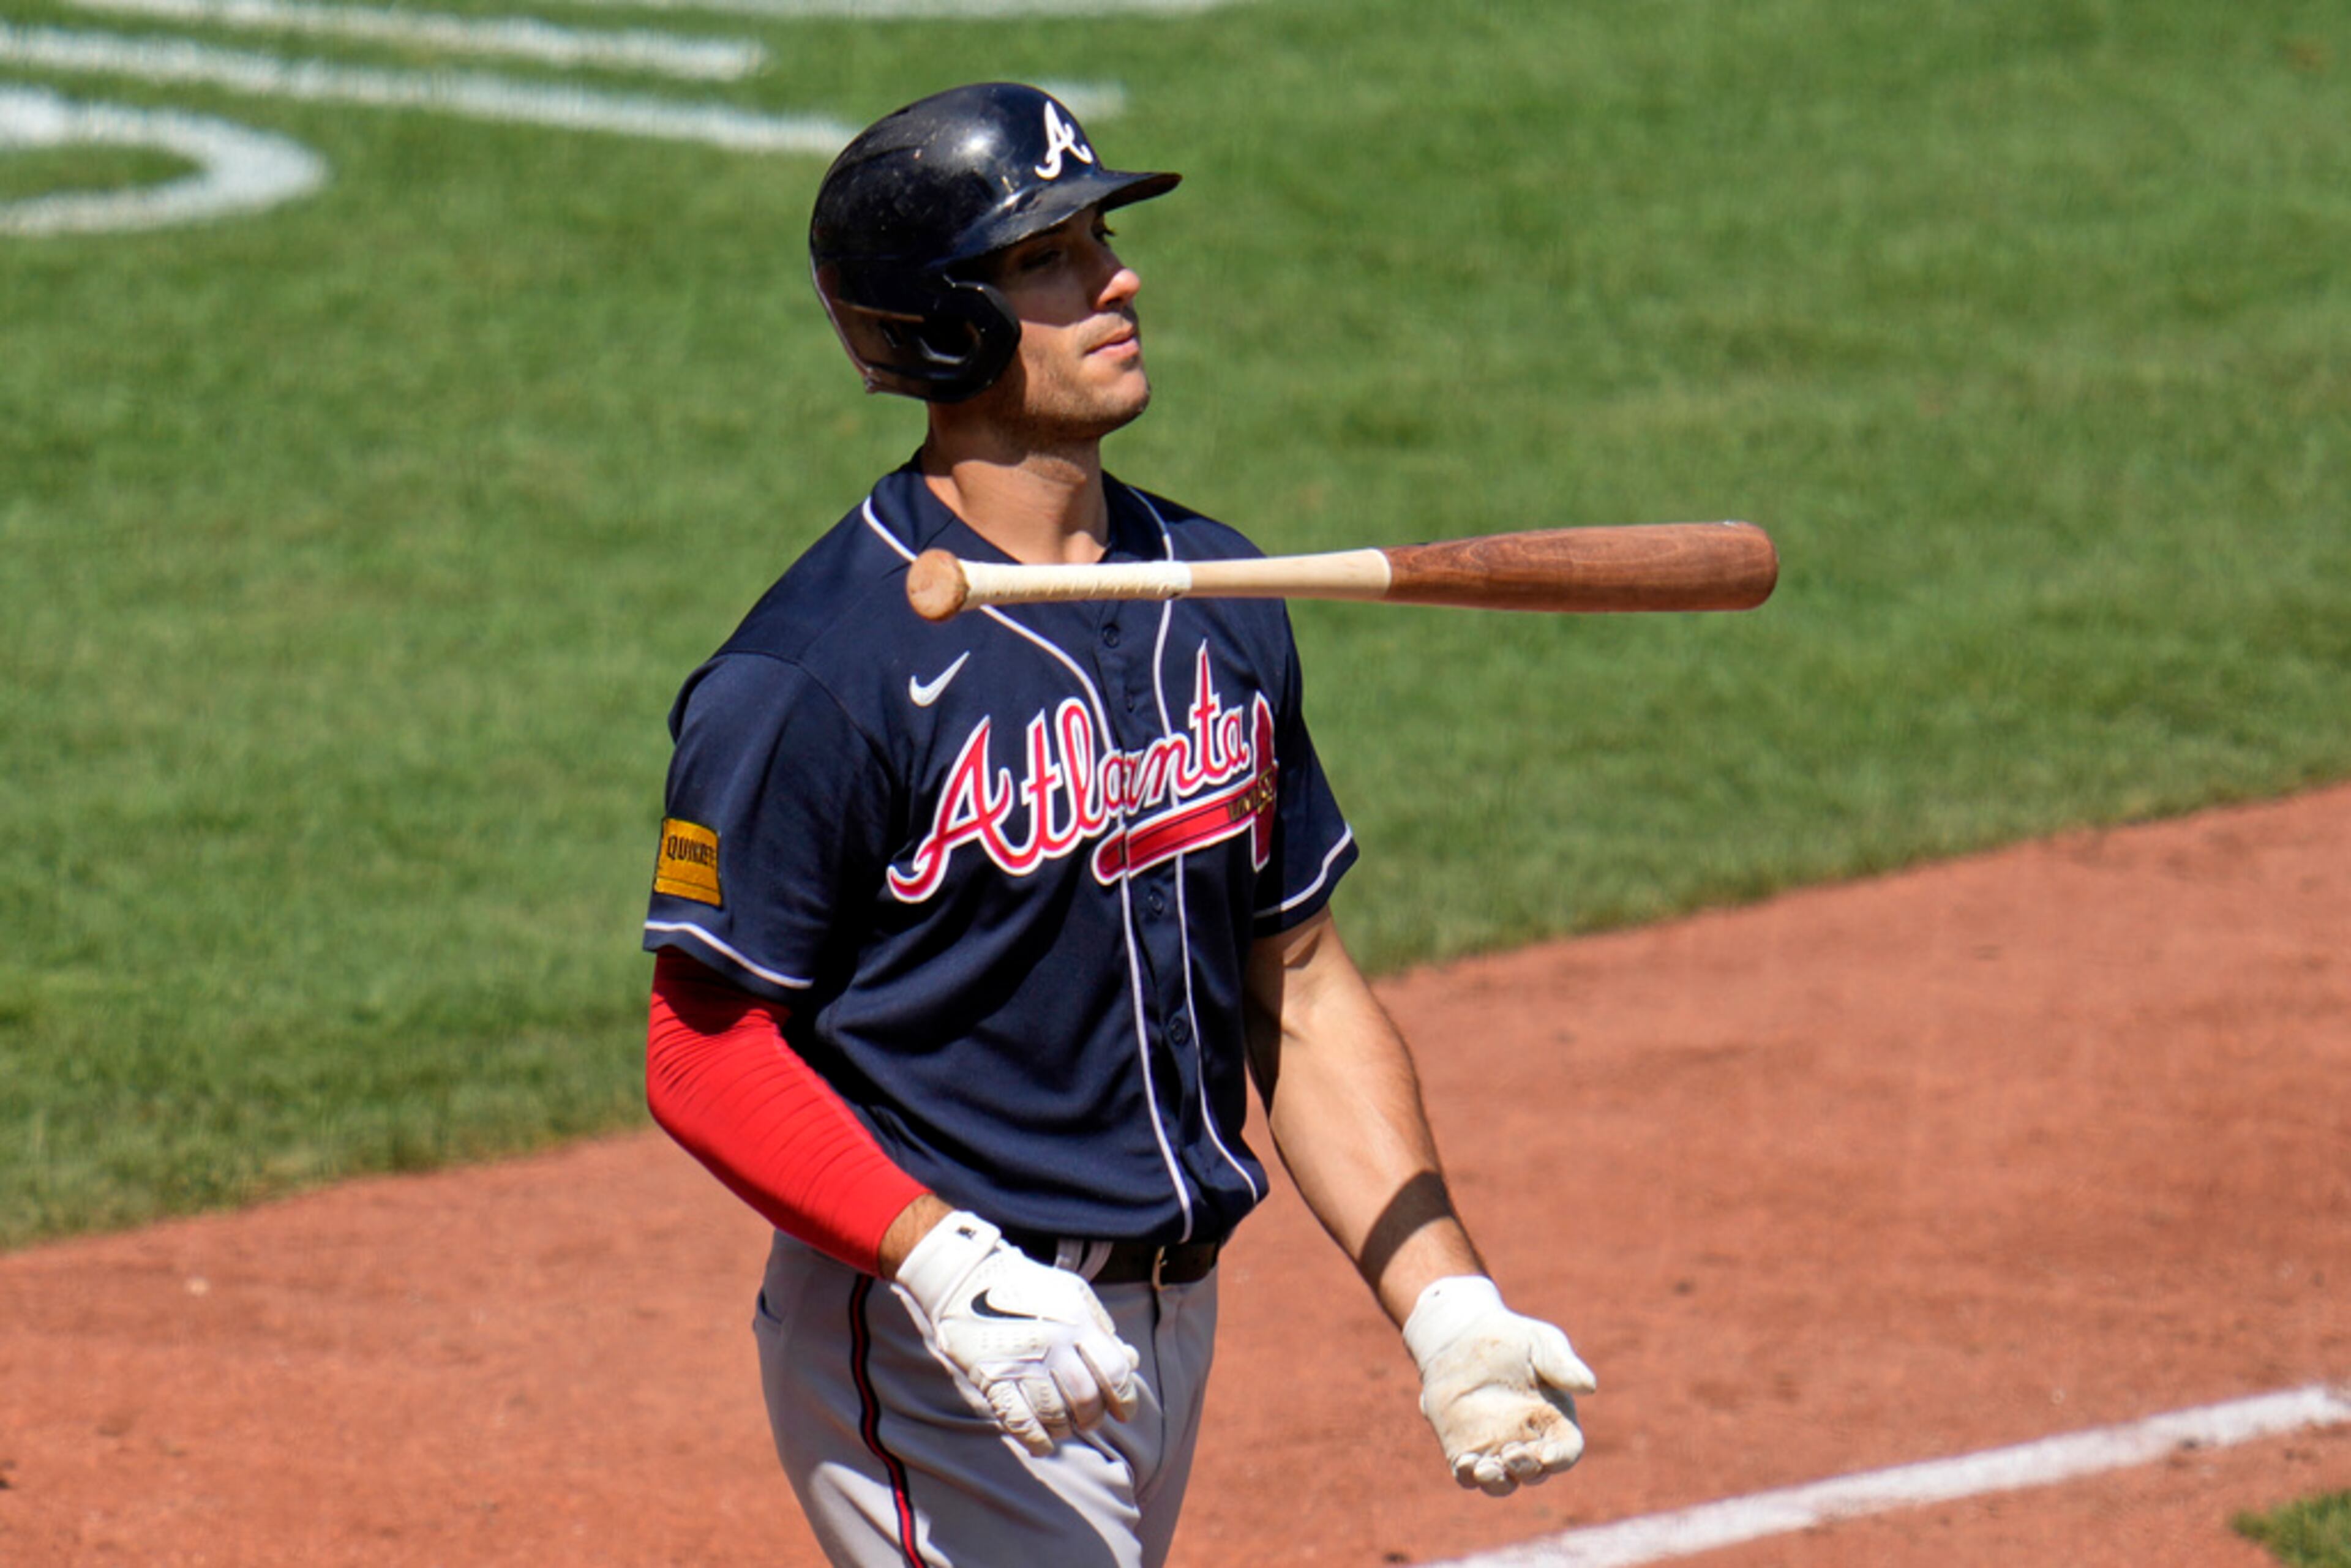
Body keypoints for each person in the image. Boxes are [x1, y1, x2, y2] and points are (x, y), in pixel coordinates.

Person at [641, 81, 1594, 1568]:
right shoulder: (816, 672)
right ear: (941, 321)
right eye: (1047, 259)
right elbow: (699, 1043)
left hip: (1168, 1322)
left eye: (1099, 238)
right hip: (945, 1347)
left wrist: (1446, 1301)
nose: (1116, 277)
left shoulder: (1209, 593)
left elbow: (1304, 982)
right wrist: (946, 1270)